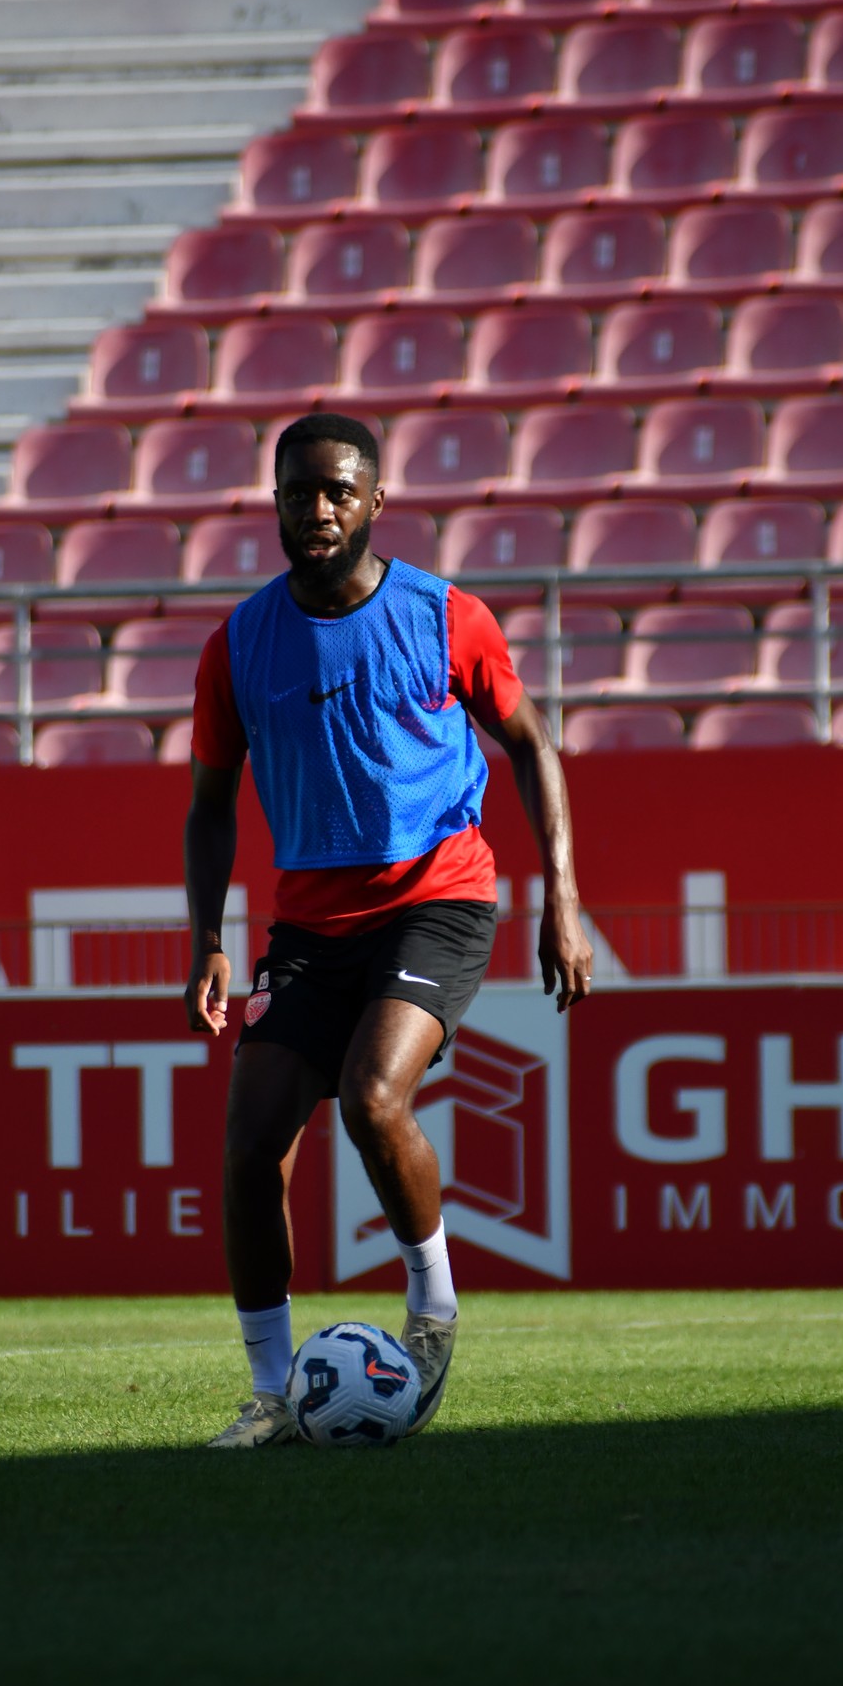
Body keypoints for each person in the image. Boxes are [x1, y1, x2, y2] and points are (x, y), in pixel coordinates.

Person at [184, 413, 592, 1449]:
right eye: (298, 493)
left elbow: (532, 743)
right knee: (249, 1148)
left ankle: (432, 1310)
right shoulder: (237, 644)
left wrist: (563, 899)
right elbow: (209, 804)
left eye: (336, 491)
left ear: (374, 501)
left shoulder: (446, 616)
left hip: (437, 901)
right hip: (308, 929)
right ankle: (272, 1395)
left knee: (372, 1098)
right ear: (275, 504)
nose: (317, 510)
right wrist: (208, 940)